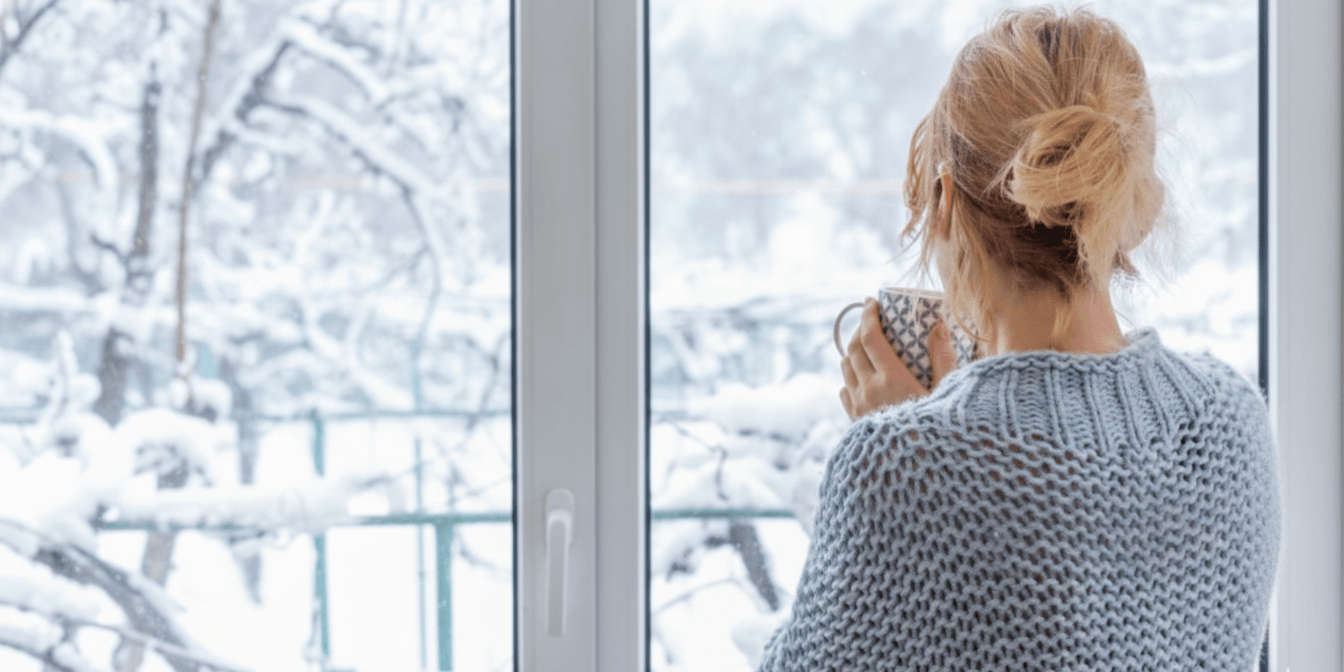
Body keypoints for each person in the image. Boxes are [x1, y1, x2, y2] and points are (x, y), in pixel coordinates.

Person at [757, 7, 1279, 671]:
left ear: (946, 202)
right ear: (1135, 206)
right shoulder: (1233, 421)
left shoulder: (900, 472)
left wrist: (909, 445)